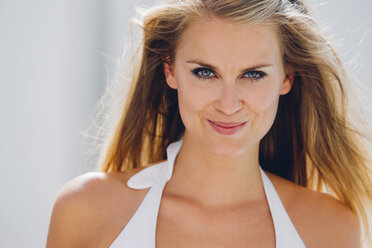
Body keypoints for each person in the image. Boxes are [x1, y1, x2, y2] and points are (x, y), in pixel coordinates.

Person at [46, 0, 372, 247]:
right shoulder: (86, 210)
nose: (228, 104)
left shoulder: (331, 229)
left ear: (287, 77)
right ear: (170, 70)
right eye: (205, 72)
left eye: (253, 74)